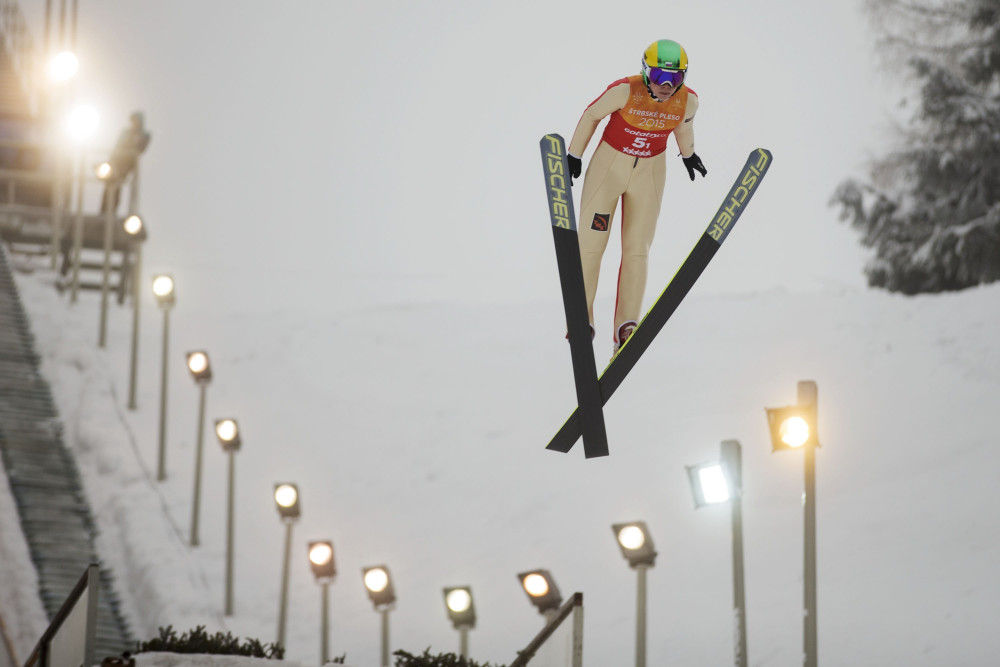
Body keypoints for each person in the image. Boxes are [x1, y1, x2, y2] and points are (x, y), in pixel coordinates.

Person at [567, 39, 707, 354]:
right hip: (609, 169)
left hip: (650, 174)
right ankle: (581, 316)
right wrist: (574, 155)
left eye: (675, 78)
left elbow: (683, 127)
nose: (667, 86)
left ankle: (626, 325)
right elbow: (591, 115)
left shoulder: (688, 102)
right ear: (645, 72)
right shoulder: (624, 91)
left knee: (637, 250)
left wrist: (689, 155)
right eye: (659, 77)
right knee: (591, 245)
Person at [100, 111, 151, 214]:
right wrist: (110, 162)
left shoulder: (145, 135)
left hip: (127, 166)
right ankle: (104, 210)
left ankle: (112, 210)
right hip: (116, 162)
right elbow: (117, 147)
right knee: (109, 186)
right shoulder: (126, 133)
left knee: (117, 186)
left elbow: (140, 149)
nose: (134, 123)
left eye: (136, 120)